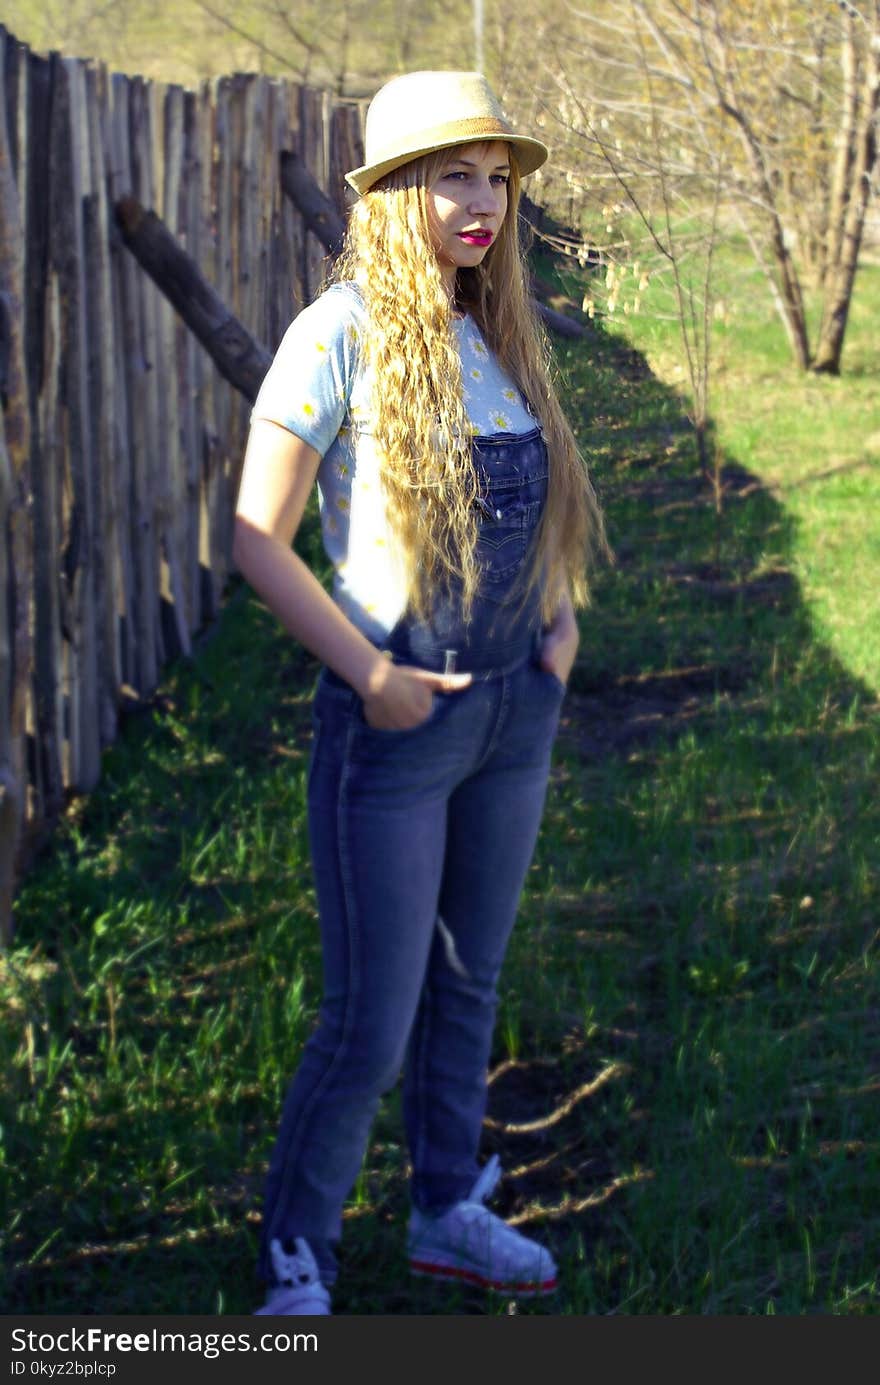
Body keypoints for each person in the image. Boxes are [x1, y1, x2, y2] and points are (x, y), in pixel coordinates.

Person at [233, 70, 608, 1316]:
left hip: (513, 718)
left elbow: (539, 504)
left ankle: (449, 1203)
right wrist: (372, 675)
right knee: (369, 1017)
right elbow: (255, 540)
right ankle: (298, 1257)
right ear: (395, 192)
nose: (482, 201)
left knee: (469, 984)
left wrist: (555, 620)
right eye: (454, 175)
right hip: (396, 729)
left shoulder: (498, 326)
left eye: (496, 177)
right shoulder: (334, 333)